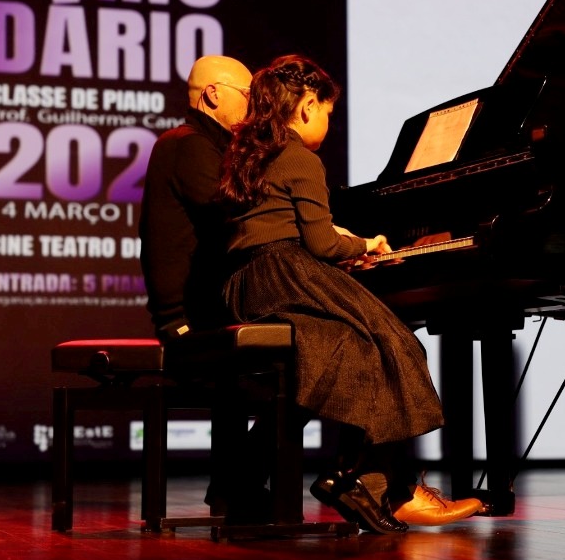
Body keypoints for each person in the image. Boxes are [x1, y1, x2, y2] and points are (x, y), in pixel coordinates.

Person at [217, 53, 483, 533]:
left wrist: (344, 248)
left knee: (355, 348)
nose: (327, 122)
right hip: (289, 273)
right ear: (304, 107)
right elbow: (319, 242)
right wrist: (366, 245)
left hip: (250, 285)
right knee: (398, 342)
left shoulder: (251, 156)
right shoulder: (300, 157)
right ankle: (367, 480)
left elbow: (282, 227)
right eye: (326, 111)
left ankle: (362, 482)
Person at [139, 54, 271, 522]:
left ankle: (235, 483)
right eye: (248, 97)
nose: (256, 107)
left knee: (310, 361)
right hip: (190, 321)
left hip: (208, 309)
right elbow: (236, 218)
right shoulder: (189, 144)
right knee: (311, 363)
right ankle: (239, 483)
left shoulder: (206, 146)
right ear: (213, 95)